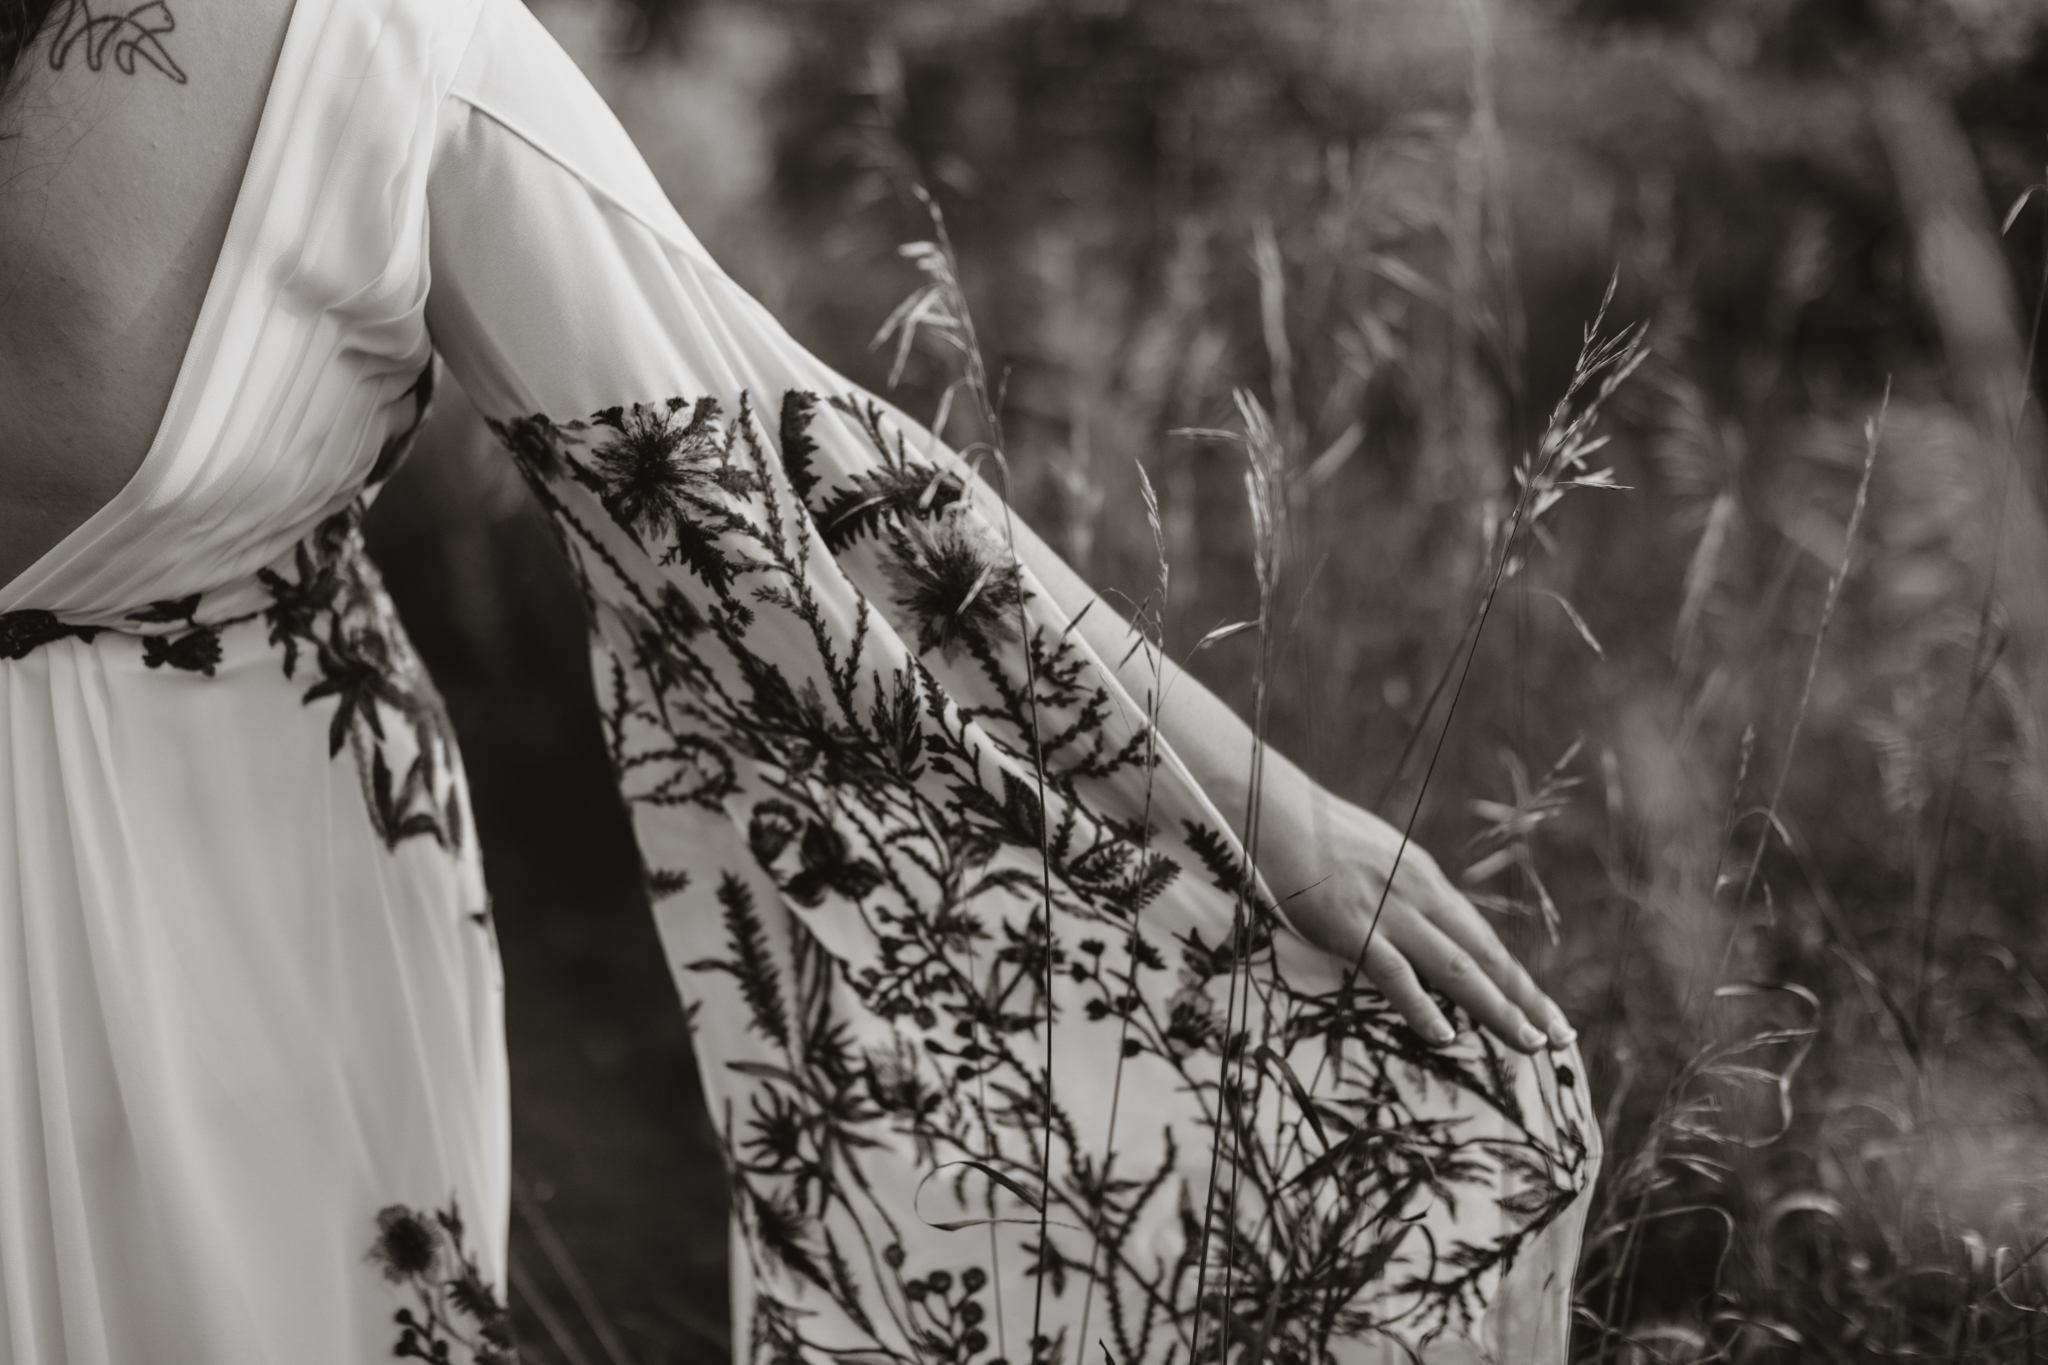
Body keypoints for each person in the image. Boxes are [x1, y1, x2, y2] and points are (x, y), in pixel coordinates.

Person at [0, 0, 1598, 1361]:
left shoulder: (378, 41)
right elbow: (774, 477)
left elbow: (770, 466)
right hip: (249, 855)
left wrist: (1261, 803)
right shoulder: (378, 37)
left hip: (237, 896)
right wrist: (1261, 806)